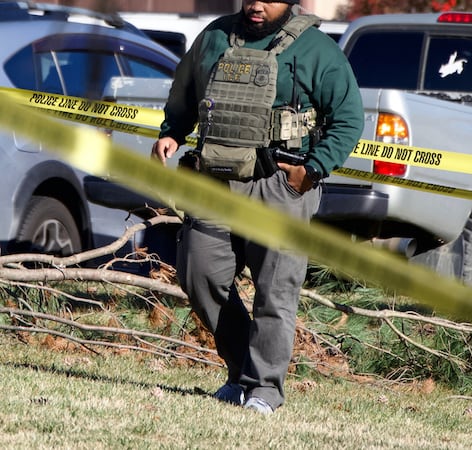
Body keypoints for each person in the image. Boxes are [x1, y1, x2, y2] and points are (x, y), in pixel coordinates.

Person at [151, 0, 364, 415]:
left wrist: (312, 170)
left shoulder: (317, 49)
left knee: (275, 293)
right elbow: (186, 92)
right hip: (216, 181)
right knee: (198, 273)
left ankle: (264, 388)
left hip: (280, 185)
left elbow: (349, 118)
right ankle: (242, 370)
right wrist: (172, 132)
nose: (257, 5)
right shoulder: (214, 37)